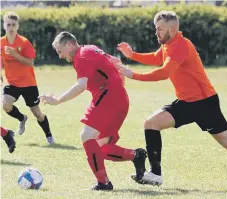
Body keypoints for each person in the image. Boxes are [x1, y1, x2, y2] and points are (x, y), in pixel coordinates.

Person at [116, 10, 227, 186]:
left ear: (173, 28)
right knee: (151, 123)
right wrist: (133, 55)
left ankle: (155, 173)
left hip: (204, 102)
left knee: (226, 141)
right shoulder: (168, 45)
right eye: (156, 28)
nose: (157, 32)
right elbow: (156, 58)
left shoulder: (181, 45)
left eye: (160, 29)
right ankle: (155, 174)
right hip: (186, 102)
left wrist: (133, 75)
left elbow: (164, 72)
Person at [39, 31, 147, 191]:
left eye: (60, 51)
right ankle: (135, 156)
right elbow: (115, 60)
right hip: (118, 97)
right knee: (98, 148)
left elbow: (81, 85)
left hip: (109, 97)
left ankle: (103, 183)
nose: (61, 56)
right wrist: (118, 82)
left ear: (69, 44)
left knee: (86, 136)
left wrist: (57, 100)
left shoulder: (81, 57)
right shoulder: (90, 48)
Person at [1, 12, 55, 144]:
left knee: (37, 113)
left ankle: (49, 136)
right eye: (8, 24)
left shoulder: (24, 42)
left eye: (14, 24)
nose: (11, 27)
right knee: (6, 105)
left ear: (18, 26)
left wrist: (15, 54)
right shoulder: (1, 42)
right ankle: (21, 118)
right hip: (12, 83)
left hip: (28, 84)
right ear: (4, 26)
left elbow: (30, 63)